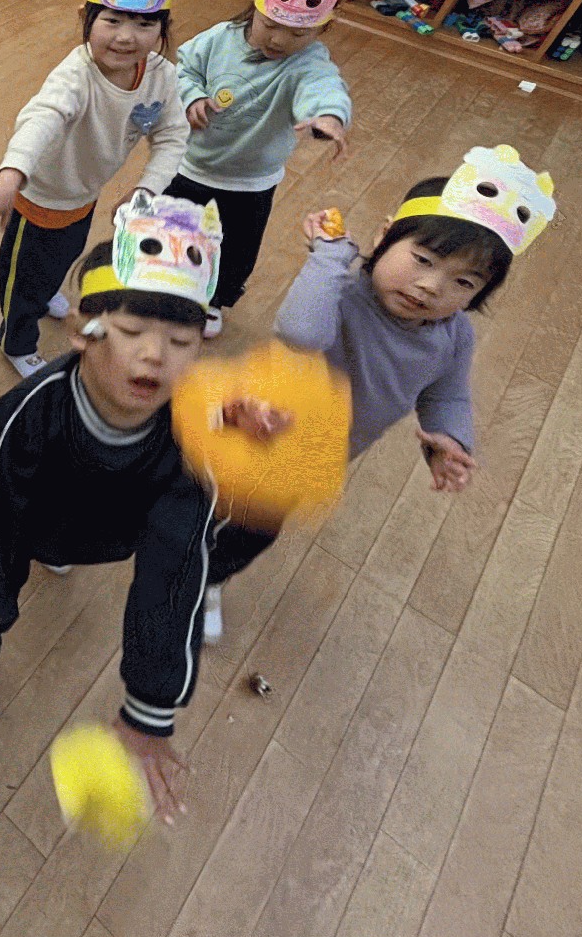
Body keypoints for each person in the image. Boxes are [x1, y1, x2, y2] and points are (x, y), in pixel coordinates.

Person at [205, 145, 557, 631]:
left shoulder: (454, 336)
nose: (431, 286)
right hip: (252, 423)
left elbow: (446, 395)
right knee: (197, 489)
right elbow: (300, 334)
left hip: (312, 458)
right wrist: (329, 256)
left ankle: (206, 581)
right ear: (384, 236)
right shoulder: (343, 290)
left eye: (463, 282)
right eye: (423, 259)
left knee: (249, 531)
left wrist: (448, 439)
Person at [0, 189, 223, 821]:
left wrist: (149, 710)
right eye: (132, 332)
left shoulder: (193, 442)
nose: (154, 354)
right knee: (8, 553)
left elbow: (175, 570)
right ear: (82, 330)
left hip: (110, 537)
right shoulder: (26, 413)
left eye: (181, 340)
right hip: (34, 524)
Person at [0, 0, 192, 379]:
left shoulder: (162, 77)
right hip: (37, 199)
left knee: (62, 257)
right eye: (112, 20)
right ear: (86, 18)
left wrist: (146, 190)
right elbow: (42, 118)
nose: (126, 37)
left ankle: (46, 289)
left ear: (163, 29)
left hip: (85, 194)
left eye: (144, 24)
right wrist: (9, 178)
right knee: (22, 283)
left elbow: (173, 136)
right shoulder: (75, 75)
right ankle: (16, 341)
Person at [170, 0, 353, 338]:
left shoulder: (308, 63)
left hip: (251, 182)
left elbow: (324, 86)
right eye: (270, 24)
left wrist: (328, 115)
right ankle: (163, 280)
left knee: (235, 250)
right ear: (254, 5)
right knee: (171, 227)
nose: (280, 40)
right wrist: (192, 95)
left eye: (298, 33)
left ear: (322, 29)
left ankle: (214, 300)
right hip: (191, 164)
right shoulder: (220, 38)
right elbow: (185, 67)